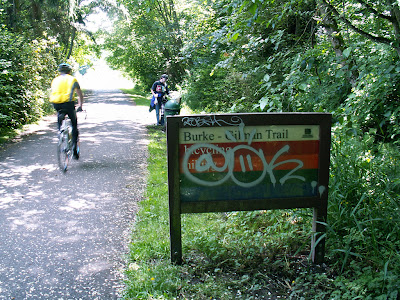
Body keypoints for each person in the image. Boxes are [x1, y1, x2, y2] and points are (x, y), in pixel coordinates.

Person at [49, 63, 83, 159]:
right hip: (68, 104)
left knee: (60, 115)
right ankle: (74, 149)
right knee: (74, 125)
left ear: (60, 71)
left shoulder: (55, 80)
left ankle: (60, 132)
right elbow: (79, 94)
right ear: (69, 71)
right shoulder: (73, 79)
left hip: (56, 103)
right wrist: (80, 106)